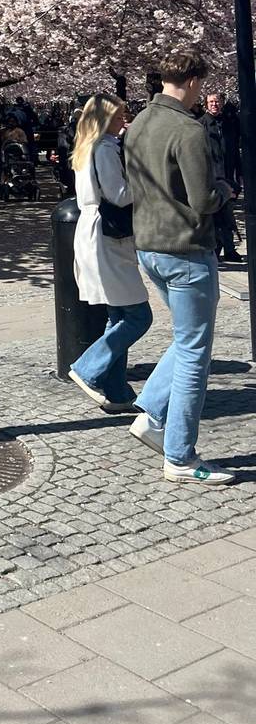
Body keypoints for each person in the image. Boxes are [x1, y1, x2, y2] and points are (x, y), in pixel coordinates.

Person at [124, 50, 236, 486]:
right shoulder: (187, 130)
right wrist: (224, 189)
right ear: (192, 81)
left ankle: (152, 415)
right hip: (186, 249)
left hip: (149, 245)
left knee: (188, 340)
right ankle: (180, 456)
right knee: (194, 352)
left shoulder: (139, 123)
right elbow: (202, 199)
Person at [66, 94, 152, 413]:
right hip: (108, 235)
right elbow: (118, 194)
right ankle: (88, 367)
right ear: (103, 120)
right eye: (118, 117)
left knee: (118, 316)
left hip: (95, 231)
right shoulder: (103, 148)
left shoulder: (87, 147)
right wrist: (146, 186)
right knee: (139, 315)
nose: (123, 121)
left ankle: (117, 392)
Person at [201, 93, 241, 263]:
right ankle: (217, 249)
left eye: (217, 101)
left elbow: (235, 149)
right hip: (213, 177)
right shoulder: (201, 124)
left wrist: (239, 174)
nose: (214, 104)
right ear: (206, 104)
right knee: (216, 215)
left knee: (228, 214)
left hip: (228, 174)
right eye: (211, 102)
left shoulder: (229, 123)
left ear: (222, 103)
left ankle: (230, 249)